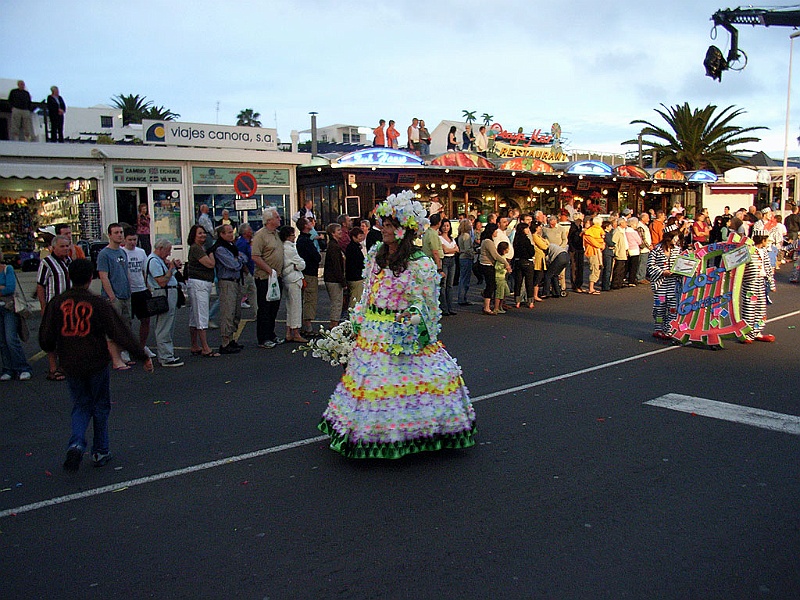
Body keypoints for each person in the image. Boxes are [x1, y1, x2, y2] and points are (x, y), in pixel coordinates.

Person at [317, 191, 476, 459]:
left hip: (402, 331)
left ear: (405, 230)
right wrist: (357, 321)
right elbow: (368, 292)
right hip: (372, 333)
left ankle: (415, 432)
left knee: (415, 384)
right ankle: (368, 434)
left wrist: (411, 325)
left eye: (390, 226)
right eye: (384, 224)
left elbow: (426, 306)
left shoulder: (420, 263)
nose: (384, 230)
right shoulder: (376, 254)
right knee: (371, 386)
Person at [39, 259, 153, 473]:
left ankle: (76, 442)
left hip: (70, 362)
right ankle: (100, 449)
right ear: (90, 278)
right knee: (100, 405)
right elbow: (118, 331)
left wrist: (54, 349)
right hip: (95, 361)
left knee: (81, 405)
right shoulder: (97, 304)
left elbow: (46, 337)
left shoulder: (58, 302)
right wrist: (142, 355)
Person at [96, 223, 133, 370]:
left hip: (126, 295)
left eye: (121, 232)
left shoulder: (123, 253)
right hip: (114, 297)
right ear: (110, 235)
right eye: (116, 232)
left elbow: (126, 273)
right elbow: (104, 277)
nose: (119, 235)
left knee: (126, 326)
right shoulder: (104, 254)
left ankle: (123, 354)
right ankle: (116, 359)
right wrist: (112, 297)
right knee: (112, 329)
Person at [36, 235, 72, 380]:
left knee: (67, 337)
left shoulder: (69, 261)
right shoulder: (47, 263)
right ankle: (53, 368)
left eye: (67, 246)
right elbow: (40, 285)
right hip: (54, 305)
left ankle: (64, 366)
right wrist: (43, 305)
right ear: (54, 247)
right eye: (62, 246)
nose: (65, 249)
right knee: (52, 337)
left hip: (69, 306)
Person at [146, 239, 183, 367]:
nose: (169, 254)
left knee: (167, 324)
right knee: (163, 326)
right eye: (167, 251)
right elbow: (161, 281)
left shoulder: (158, 260)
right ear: (160, 248)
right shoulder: (154, 261)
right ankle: (166, 356)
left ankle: (167, 353)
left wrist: (171, 267)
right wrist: (171, 269)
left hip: (168, 293)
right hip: (163, 294)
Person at [252, 207, 285, 348]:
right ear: (269, 220)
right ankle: (263, 337)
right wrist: (269, 270)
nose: (280, 219)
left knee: (274, 307)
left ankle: (271, 334)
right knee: (265, 308)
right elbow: (255, 256)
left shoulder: (276, 234)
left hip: (277, 276)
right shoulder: (260, 235)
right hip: (265, 277)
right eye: (277, 217)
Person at [212, 224, 247, 355]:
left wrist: (239, 259)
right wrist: (238, 260)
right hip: (227, 282)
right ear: (221, 234)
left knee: (236, 312)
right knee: (228, 311)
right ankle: (225, 341)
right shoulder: (220, 249)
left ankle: (232, 338)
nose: (231, 235)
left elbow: (243, 257)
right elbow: (233, 264)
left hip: (236, 281)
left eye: (231, 232)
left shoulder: (232, 247)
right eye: (227, 233)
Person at [0, 251, 32, 381]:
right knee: (2, 341)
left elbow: (10, 288)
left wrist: (4, 288)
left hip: (8, 307)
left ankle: (23, 368)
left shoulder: (8, 269)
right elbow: (5, 288)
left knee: (11, 339)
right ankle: (8, 369)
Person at [185, 225, 217, 357]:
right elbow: (210, 264)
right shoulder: (196, 249)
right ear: (193, 235)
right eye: (200, 233)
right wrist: (211, 253)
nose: (203, 235)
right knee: (201, 314)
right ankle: (205, 347)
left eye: (204, 233)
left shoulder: (199, 248)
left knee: (194, 316)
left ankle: (195, 345)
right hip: (199, 284)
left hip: (202, 283)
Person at [122, 227, 153, 359]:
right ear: (125, 240)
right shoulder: (122, 253)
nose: (132, 242)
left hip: (141, 289)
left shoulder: (141, 252)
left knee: (146, 319)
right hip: (129, 291)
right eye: (130, 240)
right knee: (126, 321)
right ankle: (126, 348)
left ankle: (142, 346)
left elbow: (144, 270)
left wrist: (148, 285)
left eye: (134, 239)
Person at [646, 225, 681, 340]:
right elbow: (650, 266)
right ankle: (658, 328)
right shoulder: (656, 250)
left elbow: (682, 263)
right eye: (675, 237)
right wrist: (662, 272)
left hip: (673, 285)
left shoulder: (677, 250)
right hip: (660, 286)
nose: (677, 239)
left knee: (672, 308)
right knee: (660, 308)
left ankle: (669, 329)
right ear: (668, 237)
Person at [741, 234, 776, 343]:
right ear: (763, 240)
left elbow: (768, 268)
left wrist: (771, 283)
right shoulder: (748, 251)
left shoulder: (764, 252)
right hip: (750, 283)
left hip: (761, 282)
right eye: (767, 240)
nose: (768, 243)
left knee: (761, 308)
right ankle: (747, 333)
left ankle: (757, 331)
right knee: (749, 308)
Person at [296, 217, 321, 338]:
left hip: (307, 271)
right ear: (305, 226)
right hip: (309, 272)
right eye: (308, 222)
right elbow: (315, 256)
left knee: (307, 299)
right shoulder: (305, 241)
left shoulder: (302, 239)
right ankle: (308, 326)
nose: (311, 224)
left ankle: (304, 325)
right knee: (310, 299)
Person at [479, 223, 510, 315]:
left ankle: (488, 305)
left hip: (487, 264)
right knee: (491, 285)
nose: (496, 232)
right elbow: (495, 255)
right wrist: (506, 263)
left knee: (491, 285)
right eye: (495, 230)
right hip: (487, 265)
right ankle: (486, 307)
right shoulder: (488, 242)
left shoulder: (487, 241)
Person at [323, 223, 346, 329]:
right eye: (338, 230)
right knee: (337, 302)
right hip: (333, 279)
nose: (340, 232)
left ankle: (334, 324)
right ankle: (334, 325)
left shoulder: (333, 245)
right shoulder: (334, 247)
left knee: (336, 302)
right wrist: (342, 281)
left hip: (332, 278)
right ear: (333, 233)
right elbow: (336, 265)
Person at [512, 222, 536, 309]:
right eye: (526, 228)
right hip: (527, 261)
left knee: (518, 282)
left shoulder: (516, 239)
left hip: (518, 261)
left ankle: (517, 301)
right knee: (529, 282)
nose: (528, 230)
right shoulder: (526, 239)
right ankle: (530, 302)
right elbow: (531, 251)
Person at [439, 218, 458, 315]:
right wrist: (452, 249)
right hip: (445, 260)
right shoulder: (439, 238)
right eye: (444, 226)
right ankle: (444, 307)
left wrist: (452, 249)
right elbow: (445, 250)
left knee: (450, 285)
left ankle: (450, 307)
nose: (446, 228)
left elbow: (457, 249)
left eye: (447, 226)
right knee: (443, 284)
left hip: (452, 260)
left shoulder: (452, 238)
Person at [583, 216, 605, 295]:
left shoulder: (597, 231)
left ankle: (592, 287)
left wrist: (602, 244)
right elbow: (594, 243)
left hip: (597, 252)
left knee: (598, 268)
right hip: (592, 252)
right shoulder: (588, 233)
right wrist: (600, 245)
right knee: (594, 268)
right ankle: (591, 288)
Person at [236, 223, 256, 309]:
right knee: (241, 292)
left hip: (250, 271)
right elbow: (241, 259)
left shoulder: (248, 242)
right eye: (249, 230)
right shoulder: (241, 243)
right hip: (245, 272)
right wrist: (246, 271)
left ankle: (257, 313)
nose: (251, 231)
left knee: (253, 291)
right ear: (245, 233)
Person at [345, 227, 366, 310]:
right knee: (355, 299)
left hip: (354, 276)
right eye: (359, 236)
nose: (361, 237)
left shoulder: (355, 246)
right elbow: (358, 262)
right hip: (356, 277)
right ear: (354, 237)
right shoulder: (353, 248)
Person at [456, 219, 475, 306]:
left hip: (462, 257)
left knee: (462, 278)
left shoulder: (461, 235)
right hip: (466, 258)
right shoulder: (467, 236)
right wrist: (473, 253)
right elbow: (467, 249)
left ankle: (461, 297)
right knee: (465, 279)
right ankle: (462, 298)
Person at [610, 218, 629, 290]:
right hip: (619, 252)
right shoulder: (617, 231)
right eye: (624, 222)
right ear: (621, 223)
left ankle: (620, 283)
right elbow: (614, 242)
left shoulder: (622, 231)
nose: (626, 224)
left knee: (622, 268)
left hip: (624, 251)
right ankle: (615, 283)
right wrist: (616, 251)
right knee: (618, 268)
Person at [493, 241, 511, 314]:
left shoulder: (503, 257)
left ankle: (500, 306)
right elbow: (497, 267)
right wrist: (505, 267)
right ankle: (496, 308)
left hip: (503, 277)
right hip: (499, 277)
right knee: (499, 293)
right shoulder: (500, 258)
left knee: (505, 292)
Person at [625, 217, 643, 287]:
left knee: (627, 265)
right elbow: (639, 241)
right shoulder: (634, 232)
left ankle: (625, 278)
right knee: (634, 266)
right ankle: (631, 280)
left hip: (627, 249)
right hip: (634, 250)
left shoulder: (625, 231)